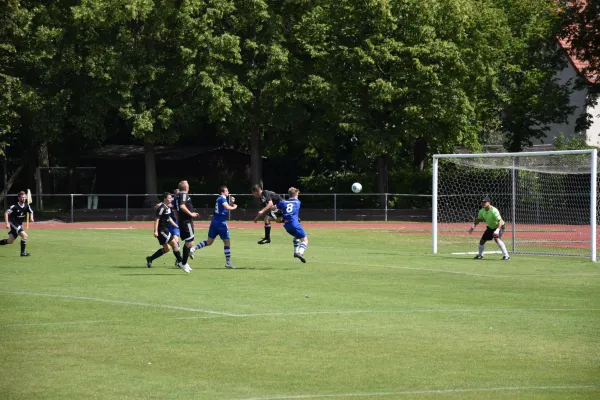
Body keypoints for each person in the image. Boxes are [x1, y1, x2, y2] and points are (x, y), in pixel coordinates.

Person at [189, 185, 237, 268]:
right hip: (221, 223)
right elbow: (228, 207)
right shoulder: (222, 198)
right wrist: (234, 206)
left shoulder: (219, 198)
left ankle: (193, 249)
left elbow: (224, 208)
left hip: (214, 221)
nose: (228, 192)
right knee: (227, 242)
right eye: (226, 191)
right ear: (222, 192)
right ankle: (228, 262)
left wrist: (231, 203)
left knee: (209, 241)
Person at [146, 192, 187, 271]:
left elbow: (169, 218)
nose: (170, 199)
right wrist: (155, 231)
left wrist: (176, 226)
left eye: (171, 198)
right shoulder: (162, 208)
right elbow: (157, 219)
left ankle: (150, 258)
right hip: (161, 230)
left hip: (165, 229)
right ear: (165, 198)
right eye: (169, 198)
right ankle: (181, 262)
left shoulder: (167, 207)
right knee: (174, 243)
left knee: (167, 248)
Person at [276, 187, 308, 263]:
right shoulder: (298, 202)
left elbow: (273, 208)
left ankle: (295, 252)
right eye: (297, 194)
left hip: (287, 226)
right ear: (296, 194)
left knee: (296, 236)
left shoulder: (283, 202)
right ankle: (300, 253)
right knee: (305, 240)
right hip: (294, 223)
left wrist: (277, 214)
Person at [173, 180, 198, 272]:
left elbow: (175, 210)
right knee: (190, 243)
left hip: (182, 222)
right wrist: (191, 214)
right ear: (186, 187)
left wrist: (178, 220)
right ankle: (183, 263)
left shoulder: (176, 197)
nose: (189, 187)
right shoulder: (183, 195)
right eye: (188, 185)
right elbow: (182, 206)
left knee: (189, 242)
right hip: (187, 222)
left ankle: (184, 263)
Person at [0, 191, 34, 256]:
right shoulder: (15, 206)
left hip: (19, 224)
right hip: (14, 223)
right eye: (22, 197)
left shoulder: (27, 206)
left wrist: (31, 218)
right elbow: (6, 213)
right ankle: (23, 253)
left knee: (10, 241)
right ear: (18, 198)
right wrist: (7, 223)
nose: (23, 199)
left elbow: (31, 211)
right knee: (25, 236)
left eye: (24, 197)